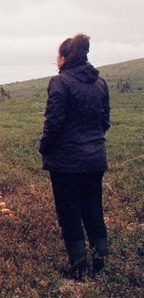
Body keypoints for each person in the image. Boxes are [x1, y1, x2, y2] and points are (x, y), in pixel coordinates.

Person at [40, 34, 110, 279]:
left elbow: (53, 123)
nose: (56, 60)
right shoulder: (99, 82)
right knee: (93, 211)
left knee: (69, 214)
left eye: (58, 55)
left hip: (66, 163)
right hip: (95, 159)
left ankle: (79, 271)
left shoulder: (60, 83)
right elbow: (105, 121)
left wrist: (44, 148)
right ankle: (101, 269)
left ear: (65, 57)